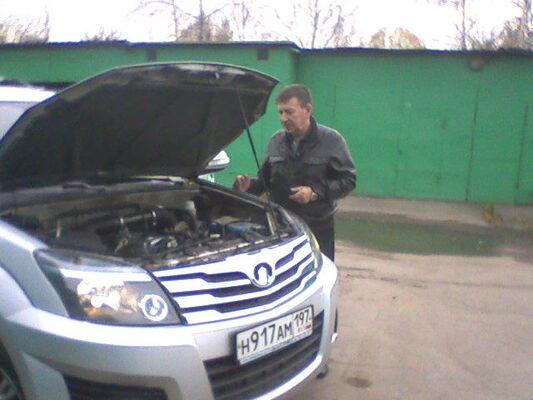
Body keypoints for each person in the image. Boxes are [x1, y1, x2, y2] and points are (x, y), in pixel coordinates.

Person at [233, 84, 356, 261]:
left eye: (289, 112)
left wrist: (314, 193)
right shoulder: (276, 141)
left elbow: (348, 180)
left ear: (307, 110)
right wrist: (248, 186)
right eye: (280, 112)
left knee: (317, 272)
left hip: (317, 228)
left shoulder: (331, 140)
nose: (283, 118)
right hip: (281, 227)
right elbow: (265, 182)